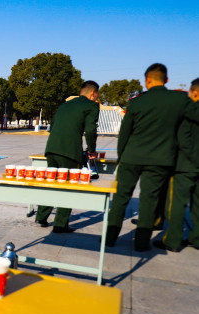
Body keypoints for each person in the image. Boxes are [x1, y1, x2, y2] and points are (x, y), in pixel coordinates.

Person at [106, 63, 199, 251]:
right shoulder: (179, 100)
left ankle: (110, 239)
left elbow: (124, 134)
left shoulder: (136, 102)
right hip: (160, 160)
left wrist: (121, 157)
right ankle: (141, 243)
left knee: (120, 198)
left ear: (147, 80)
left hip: (131, 157)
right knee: (149, 200)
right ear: (167, 80)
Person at [35, 80, 100, 233]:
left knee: (52, 182)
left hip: (52, 149)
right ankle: (60, 225)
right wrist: (91, 150)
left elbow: (54, 126)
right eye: (97, 94)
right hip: (69, 152)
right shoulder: (91, 106)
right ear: (92, 93)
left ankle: (42, 216)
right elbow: (91, 130)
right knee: (67, 187)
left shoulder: (64, 105)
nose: (97, 98)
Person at [154, 78, 199, 252]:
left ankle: (172, 240)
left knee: (176, 204)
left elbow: (184, 139)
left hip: (184, 165)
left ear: (194, 92)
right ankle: (196, 238)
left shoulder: (188, 112)